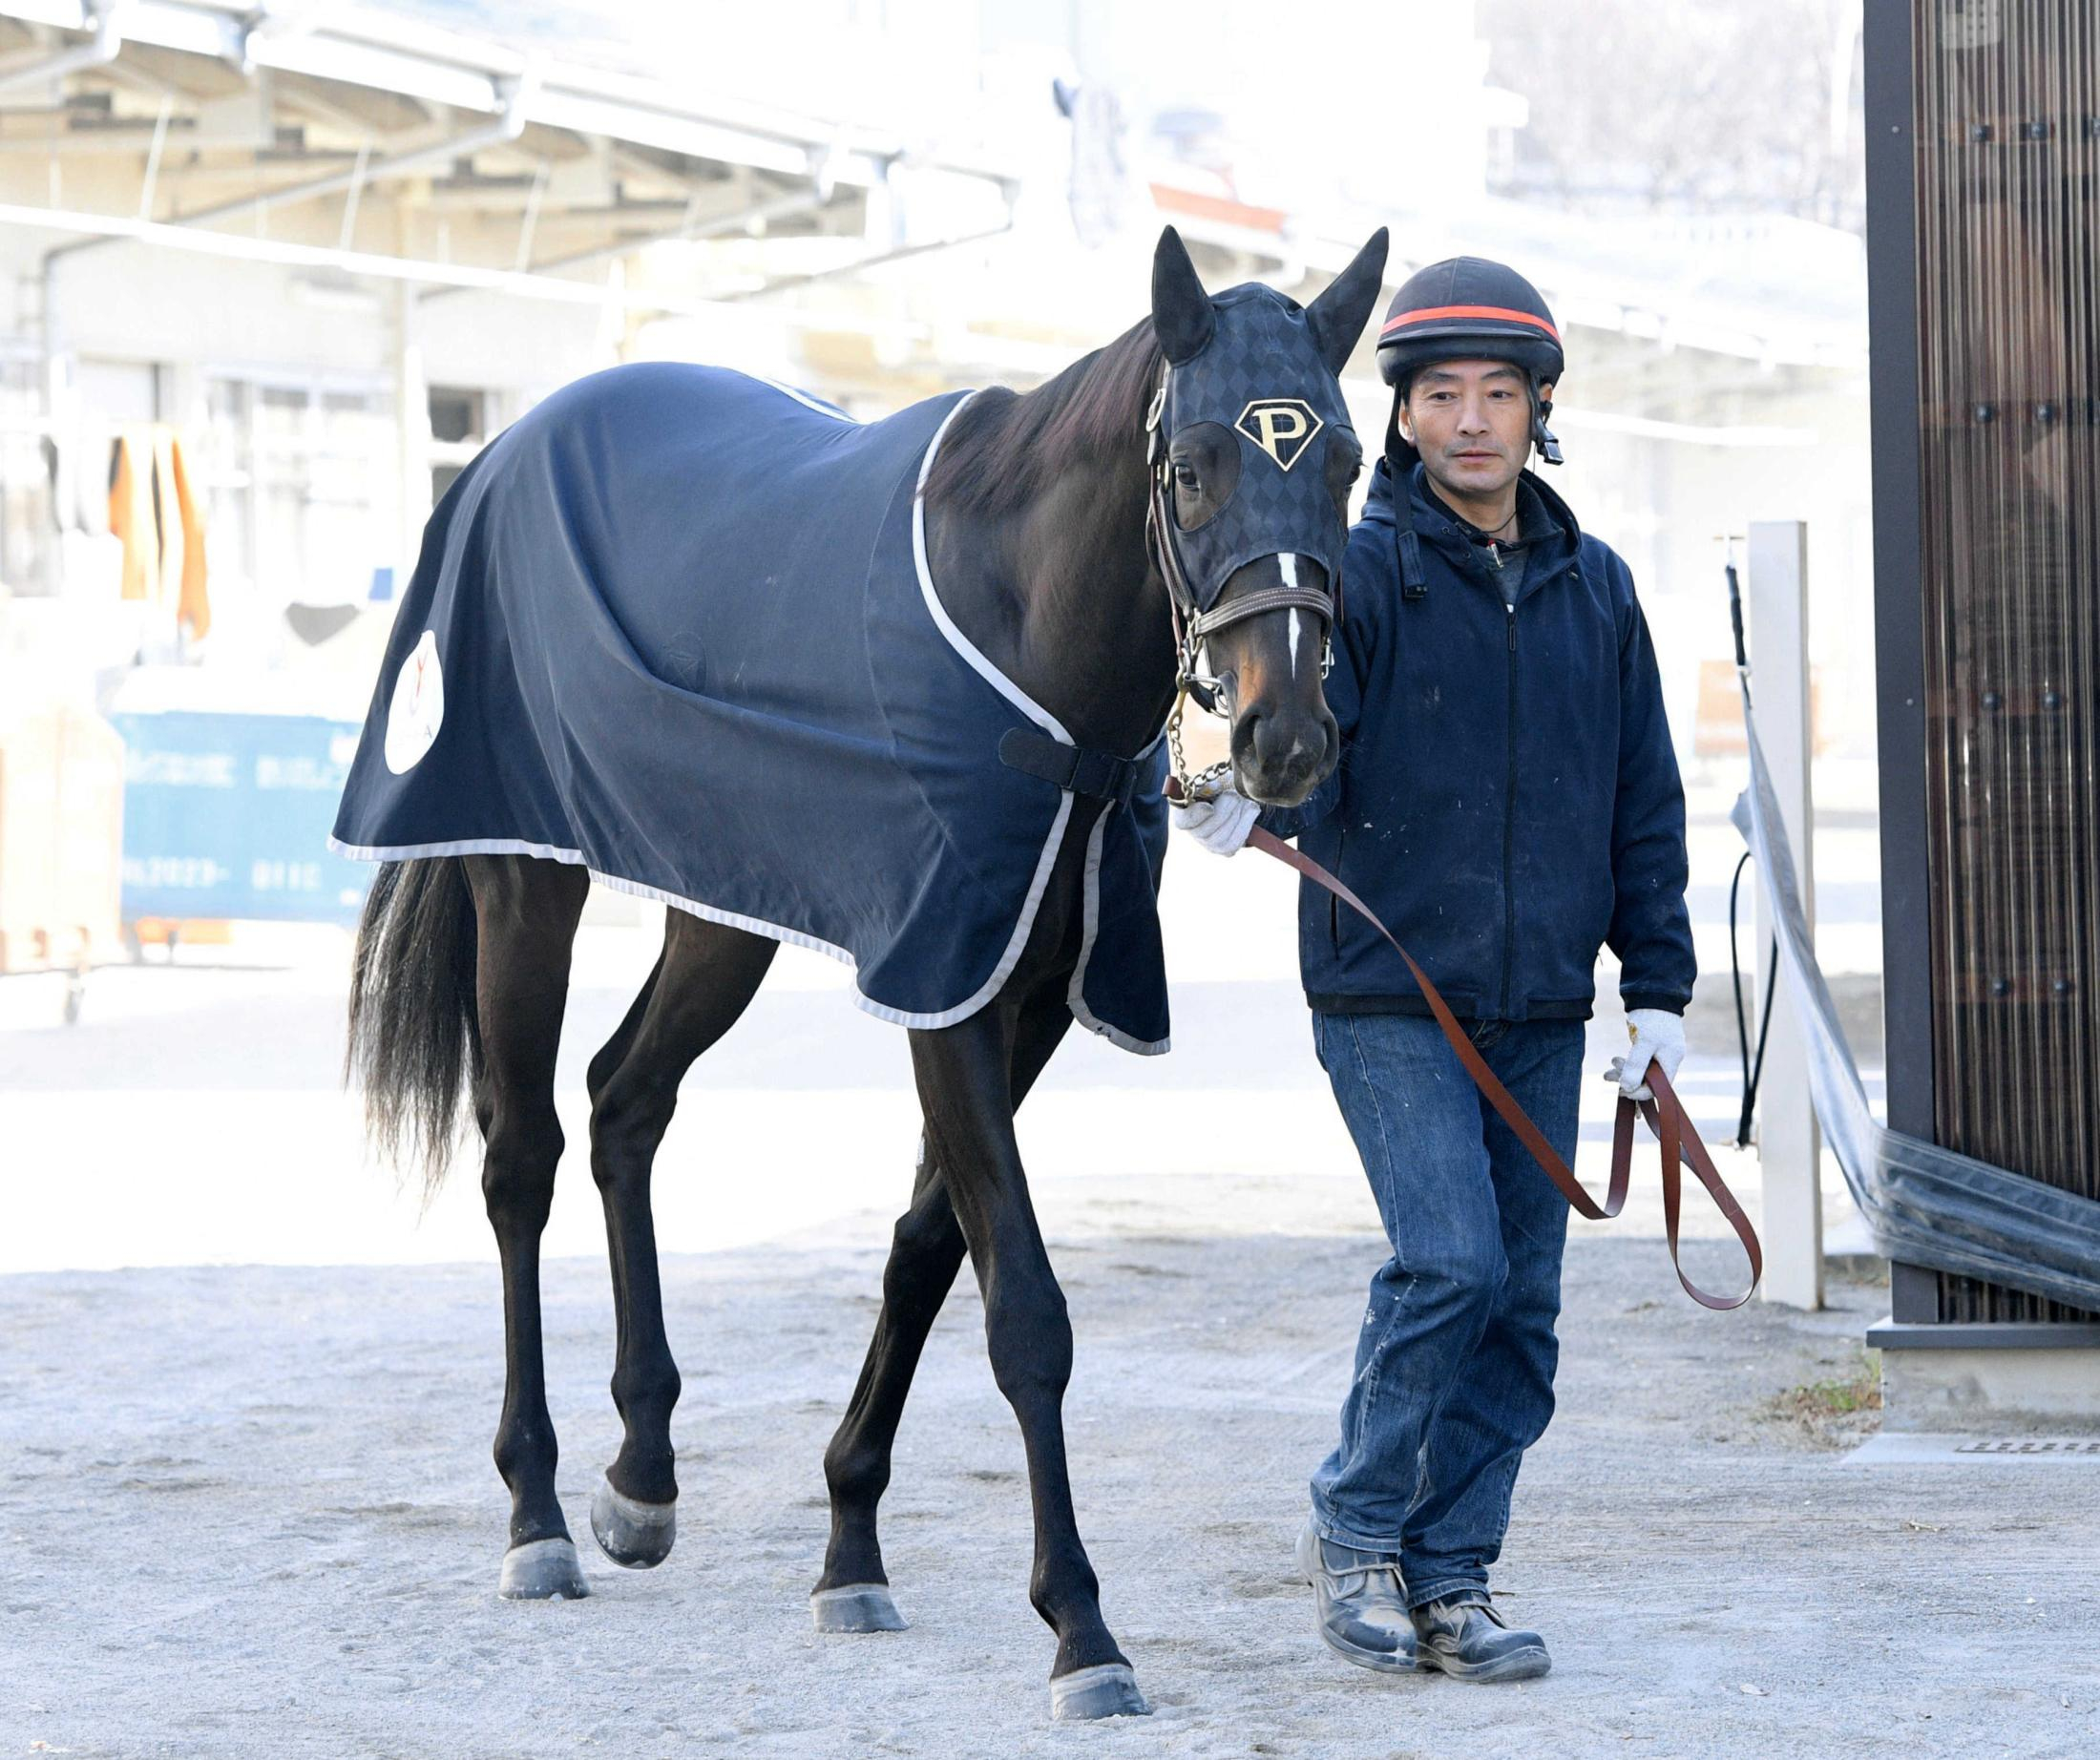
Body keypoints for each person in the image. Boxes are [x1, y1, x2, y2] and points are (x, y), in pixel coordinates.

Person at [1172, 258, 1694, 1683]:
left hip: (1542, 1004)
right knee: (1450, 1261)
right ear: (1400, 418)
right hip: (1389, 992)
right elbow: (1291, 722)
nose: (1472, 421)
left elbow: (1644, 798)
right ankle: (1355, 1532)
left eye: (1500, 394)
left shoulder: (1603, 591)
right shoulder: (1360, 573)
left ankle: (1453, 1574)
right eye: (1441, 395)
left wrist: (1657, 991)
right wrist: (1236, 798)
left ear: (1539, 412)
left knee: (1522, 1306)